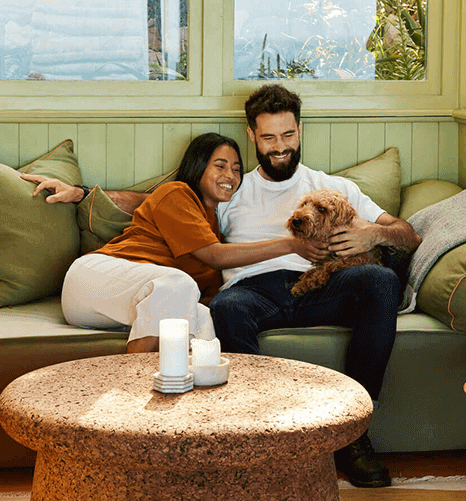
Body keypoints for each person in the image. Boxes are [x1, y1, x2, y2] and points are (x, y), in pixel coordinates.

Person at [208, 84, 421, 488]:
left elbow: (408, 236)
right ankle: (257, 436)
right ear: (251, 135)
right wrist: (83, 194)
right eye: (269, 137)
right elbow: (161, 203)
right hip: (255, 292)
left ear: (300, 130)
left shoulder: (334, 188)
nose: (280, 147)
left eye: (288, 135)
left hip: (326, 288)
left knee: (379, 279)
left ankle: (354, 432)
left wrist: (373, 235)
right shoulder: (231, 189)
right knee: (226, 308)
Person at [22, 133, 326, 355]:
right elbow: (215, 256)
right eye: (220, 165)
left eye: (236, 169)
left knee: (207, 321)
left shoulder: (212, 224)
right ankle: (132, 400)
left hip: (134, 303)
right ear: (198, 168)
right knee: (178, 285)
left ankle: (208, 416)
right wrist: (292, 246)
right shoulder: (177, 193)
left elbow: (204, 274)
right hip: (92, 280)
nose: (230, 176)